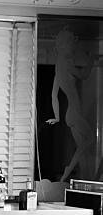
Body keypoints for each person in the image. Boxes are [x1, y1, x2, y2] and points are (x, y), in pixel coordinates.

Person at [45, 29, 95, 182]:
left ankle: (84, 178)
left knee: (84, 152)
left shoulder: (58, 66)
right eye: (71, 44)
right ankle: (69, 169)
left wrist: (57, 117)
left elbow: (54, 94)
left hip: (69, 114)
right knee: (90, 139)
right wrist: (91, 61)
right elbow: (84, 75)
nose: (73, 48)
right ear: (65, 45)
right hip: (74, 112)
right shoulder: (66, 63)